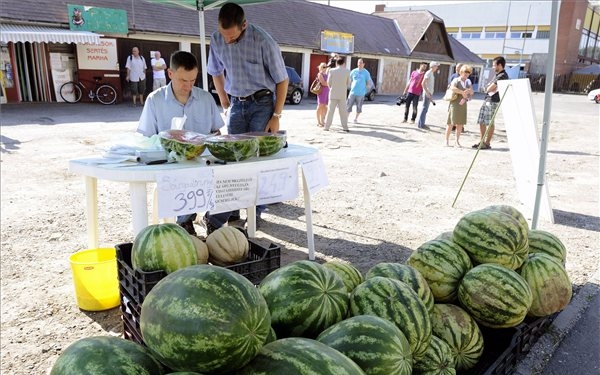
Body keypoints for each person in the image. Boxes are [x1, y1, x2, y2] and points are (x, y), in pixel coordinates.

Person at [205, 2, 288, 234]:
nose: (228, 41)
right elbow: (215, 71)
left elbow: (282, 80)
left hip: (262, 104)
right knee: (231, 160)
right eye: (225, 36)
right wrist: (223, 100)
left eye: (233, 37)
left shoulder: (263, 41)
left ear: (244, 25)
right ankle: (231, 211)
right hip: (236, 104)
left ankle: (256, 211)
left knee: (256, 160)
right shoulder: (217, 39)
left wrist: (276, 115)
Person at [137, 51, 224, 235]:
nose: (188, 86)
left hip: (204, 165)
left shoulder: (206, 99)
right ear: (170, 73)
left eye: (192, 80)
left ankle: (213, 220)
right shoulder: (155, 100)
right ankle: (184, 222)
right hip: (171, 167)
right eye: (183, 80)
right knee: (182, 177)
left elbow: (217, 132)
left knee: (233, 179)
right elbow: (146, 140)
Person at [473, 56, 509, 150]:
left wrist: (487, 88)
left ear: (500, 65)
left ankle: (486, 143)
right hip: (489, 100)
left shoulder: (502, 76)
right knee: (483, 121)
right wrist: (487, 87)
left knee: (489, 122)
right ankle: (482, 142)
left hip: (492, 101)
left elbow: (489, 88)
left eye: (494, 65)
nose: (493, 67)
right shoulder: (498, 75)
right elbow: (488, 87)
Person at [445, 64, 474, 147]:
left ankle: (456, 141)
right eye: (465, 72)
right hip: (455, 102)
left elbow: (472, 92)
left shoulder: (468, 81)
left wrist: (469, 91)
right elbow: (452, 88)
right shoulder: (456, 80)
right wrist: (462, 92)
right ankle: (446, 140)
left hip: (463, 103)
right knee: (450, 123)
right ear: (461, 72)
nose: (467, 74)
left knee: (460, 123)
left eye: (468, 72)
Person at [324, 56, 350, 132]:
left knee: (330, 111)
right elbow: (348, 83)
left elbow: (328, 83)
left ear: (336, 63)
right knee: (343, 112)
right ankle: (345, 127)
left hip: (333, 93)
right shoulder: (347, 71)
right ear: (344, 63)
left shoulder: (331, 71)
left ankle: (327, 127)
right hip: (342, 94)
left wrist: (332, 88)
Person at [346, 58, 373, 124]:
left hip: (361, 94)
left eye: (361, 63)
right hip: (352, 92)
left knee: (359, 107)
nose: (359, 64)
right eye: (358, 62)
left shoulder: (366, 73)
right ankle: (346, 119)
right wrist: (350, 87)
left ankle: (355, 119)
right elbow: (349, 80)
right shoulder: (353, 71)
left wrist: (365, 90)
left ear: (363, 64)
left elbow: (369, 83)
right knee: (348, 106)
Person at [417, 61, 440, 130]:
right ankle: (421, 125)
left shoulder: (431, 73)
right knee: (424, 108)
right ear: (432, 66)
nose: (437, 67)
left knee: (425, 109)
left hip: (429, 93)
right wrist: (427, 92)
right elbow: (423, 83)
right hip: (427, 93)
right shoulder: (428, 73)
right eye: (436, 66)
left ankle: (421, 124)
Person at [315, 62, 330, 127]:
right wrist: (330, 83)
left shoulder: (327, 74)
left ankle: (323, 120)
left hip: (327, 91)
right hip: (321, 91)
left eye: (325, 66)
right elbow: (323, 83)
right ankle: (318, 121)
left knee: (325, 106)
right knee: (320, 105)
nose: (325, 68)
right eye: (323, 67)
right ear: (320, 67)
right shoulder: (320, 74)